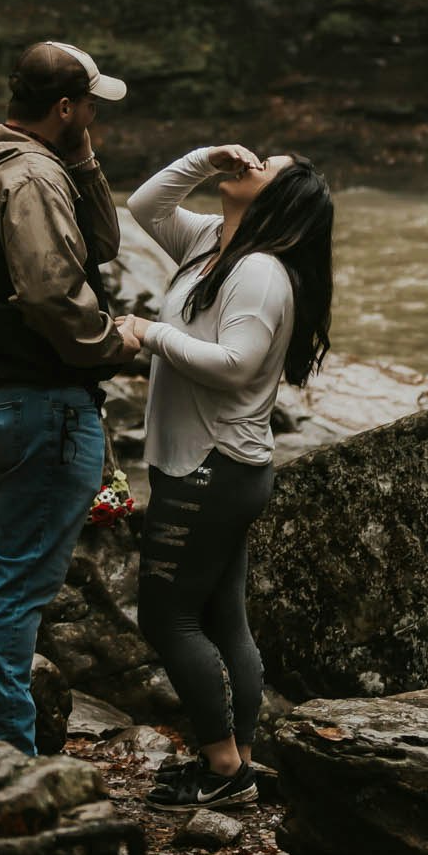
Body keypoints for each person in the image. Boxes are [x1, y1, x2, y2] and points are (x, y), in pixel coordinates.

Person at [119, 143, 334, 808]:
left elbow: (236, 365)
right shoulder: (212, 239)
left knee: (166, 619)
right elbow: (144, 206)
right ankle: (237, 759)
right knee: (221, 617)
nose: (253, 161)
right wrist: (203, 161)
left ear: (279, 200)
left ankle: (221, 768)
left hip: (211, 469)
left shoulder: (261, 272)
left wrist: (148, 333)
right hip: (209, 466)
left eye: (267, 166)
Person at [0, 40, 129, 755]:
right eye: (88, 107)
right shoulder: (31, 178)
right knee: (16, 587)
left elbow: (101, 244)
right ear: (65, 107)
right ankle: (5, 753)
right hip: (40, 402)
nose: (94, 116)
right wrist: (112, 343)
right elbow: (52, 293)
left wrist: (83, 159)